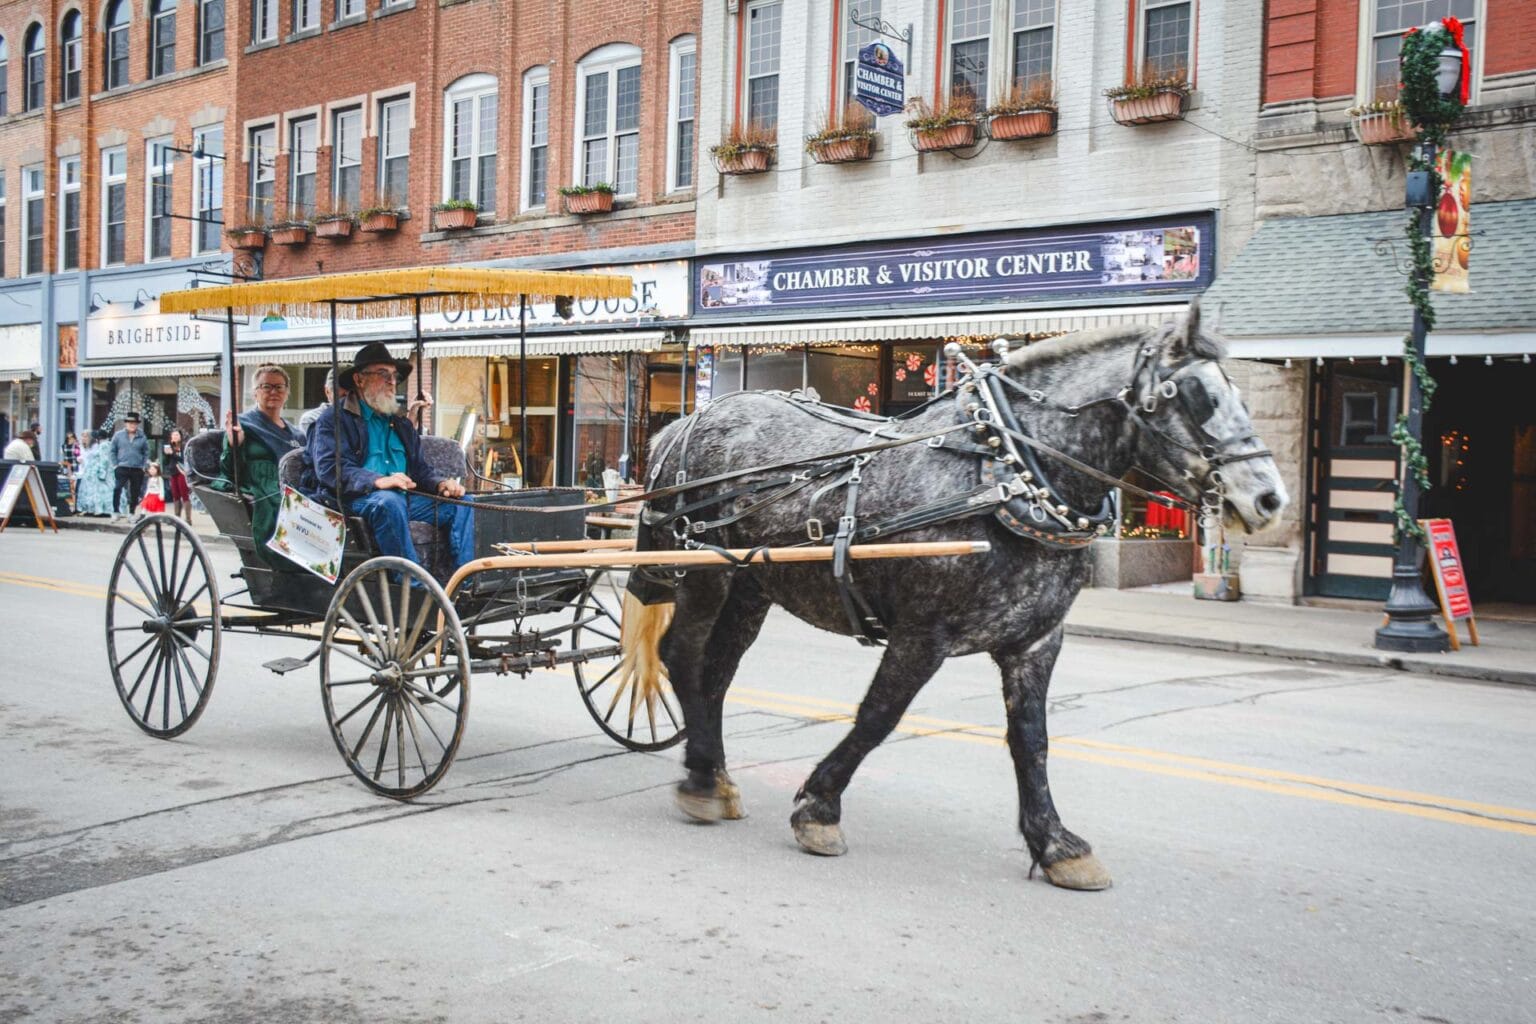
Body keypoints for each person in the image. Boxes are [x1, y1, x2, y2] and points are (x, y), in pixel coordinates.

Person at [306, 342, 474, 574]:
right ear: (359, 380)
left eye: (394, 376)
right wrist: (376, 480)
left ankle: (464, 582)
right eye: (383, 375)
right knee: (388, 501)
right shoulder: (334, 419)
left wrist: (440, 483)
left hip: (403, 500)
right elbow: (329, 469)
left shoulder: (401, 423)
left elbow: (420, 469)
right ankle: (412, 584)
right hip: (353, 501)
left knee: (463, 504)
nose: (392, 382)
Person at [213, 364, 305, 560]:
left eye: (279, 387)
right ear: (255, 393)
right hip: (262, 487)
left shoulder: (296, 434)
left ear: (287, 393)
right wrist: (234, 444)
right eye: (266, 387)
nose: (273, 392)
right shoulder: (243, 424)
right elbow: (230, 470)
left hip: (295, 486)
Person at [110, 412, 150, 521]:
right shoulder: (118, 435)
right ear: (126, 424)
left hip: (137, 468)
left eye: (134, 423)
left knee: (135, 491)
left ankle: (131, 512)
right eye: (130, 423)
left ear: (137, 425)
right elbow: (112, 450)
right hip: (122, 466)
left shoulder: (142, 436)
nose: (132, 425)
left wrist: (143, 466)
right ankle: (115, 511)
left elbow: (146, 452)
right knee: (117, 488)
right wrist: (115, 465)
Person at [75, 429, 117, 516]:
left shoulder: (104, 445)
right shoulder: (104, 445)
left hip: (102, 473)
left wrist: (101, 473)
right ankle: (96, 509)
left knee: (102, 492)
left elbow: (104, 460)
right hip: (98, 472)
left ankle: (103, 510)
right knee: (99, 492)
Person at [162, 427, 193, 524]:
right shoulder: (169, 446)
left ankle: (188, 519)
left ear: (180, 436)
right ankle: (177, 518)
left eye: (177, 435)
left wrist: (173, 454)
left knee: (185, 495)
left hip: (182, 472)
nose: (175, 437)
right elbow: (166, 462)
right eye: (173, 435)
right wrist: (166, 455)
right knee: (175, 495)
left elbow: (183, 459)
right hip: (173, 473)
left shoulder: (184, 446)